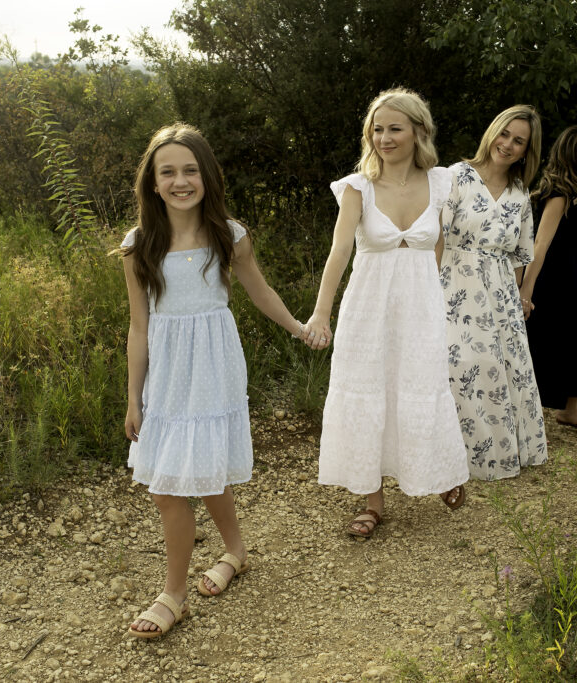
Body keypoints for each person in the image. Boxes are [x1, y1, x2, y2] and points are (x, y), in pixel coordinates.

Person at [122, 123, 320, 638]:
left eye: (190, 170)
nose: (180, 180)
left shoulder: (228, 236)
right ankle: (234, 552)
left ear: (207, 176)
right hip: (166, 375)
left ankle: (175, 594)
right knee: (177, 480)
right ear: (153, 182)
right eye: (168, 172)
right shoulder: (139, 245)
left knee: (191, 475)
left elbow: (260, 292)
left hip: (212, 368)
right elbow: (139, 327)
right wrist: (133, 398)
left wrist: (299, 328)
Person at [307, 88, 469, 538]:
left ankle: (436, 472)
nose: (384, 138)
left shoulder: (441, 182)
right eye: (377, 129)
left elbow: (437, 245)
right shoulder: (357, 187)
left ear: (419, 132)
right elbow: (339, 252)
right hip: (367, 306)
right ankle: (371, 500)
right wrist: (322, 314)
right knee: (367, 389)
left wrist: (428, 297)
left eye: (394, 128)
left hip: (420, 304)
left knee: (422, 385)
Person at [440, 105, 549, 479]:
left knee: (502, 369)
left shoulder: (520, 193)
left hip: (501, 289)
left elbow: (522, 254)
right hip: (455, 283)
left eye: (519, 141)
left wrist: (522, 296)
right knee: (460, 364)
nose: (508, 144)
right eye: (504, 134)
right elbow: (436, 238)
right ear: (492, 132)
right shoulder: (456, 176)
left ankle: (498, 452)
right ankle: (452, 456)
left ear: (526, 151)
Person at [521, 125, 577, 438]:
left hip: (572, 278)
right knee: (546, 344)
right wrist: (526, 292)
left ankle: (568, 411)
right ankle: (522, 417)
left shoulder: (575, 189)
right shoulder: (557, 195)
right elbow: (539, 247)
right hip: (551, 282)